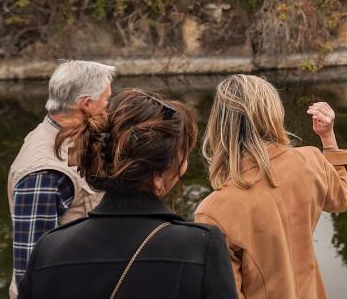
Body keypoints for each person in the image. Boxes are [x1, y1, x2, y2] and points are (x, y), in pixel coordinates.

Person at [17, 88, 237, 299]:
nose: (185, 165)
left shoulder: (49, 249)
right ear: (157, 176)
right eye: (183, 156)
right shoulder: (200, 247)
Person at [195, 75, 347, 299]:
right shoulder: (311, 160)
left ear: (219, 125)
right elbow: (342, 199)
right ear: (273, 114)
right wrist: (328, 138)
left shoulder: (213, 211)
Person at [7, 60, 114, 298]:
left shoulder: (68, 139)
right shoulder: (44, 173)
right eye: (106, 100)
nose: (108, 107)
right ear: (86, 104)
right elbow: (32, 269)